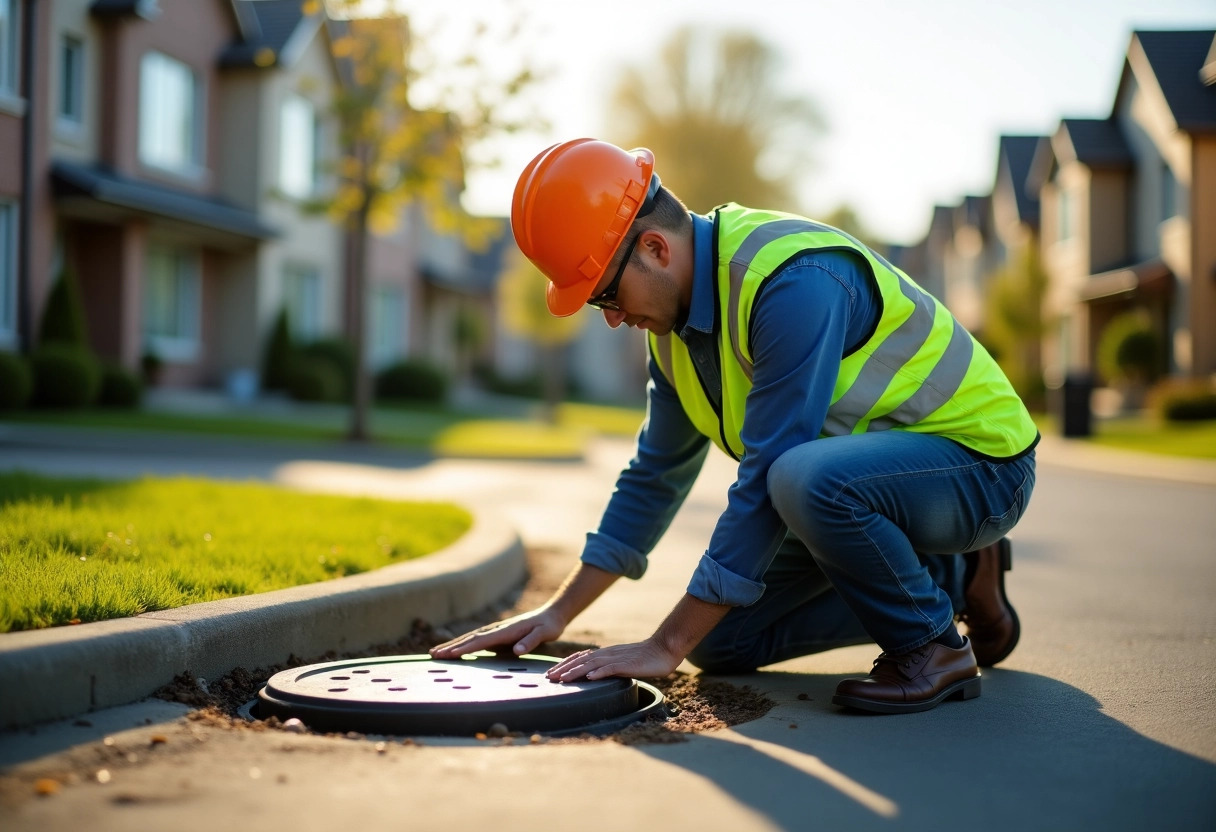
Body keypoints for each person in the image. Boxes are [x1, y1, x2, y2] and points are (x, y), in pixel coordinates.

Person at [432, 138, 1037, 714]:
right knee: (722, 642)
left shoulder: (792, 283)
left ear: (655, 249)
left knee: (795, 478)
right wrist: (557, 613)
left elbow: (769, 477)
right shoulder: (670, 334)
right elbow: (654, 476)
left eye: (606, 295)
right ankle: (953, 579)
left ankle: (931, 648)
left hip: (981, 467)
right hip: (868, 489)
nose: (613, 319)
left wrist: (663, 645)